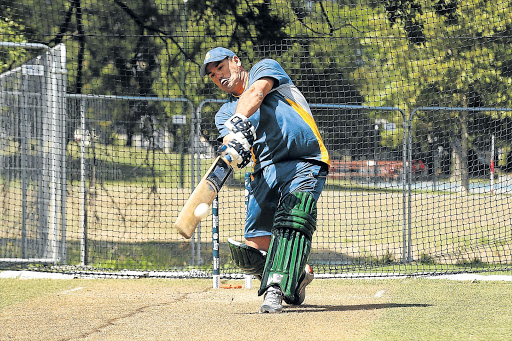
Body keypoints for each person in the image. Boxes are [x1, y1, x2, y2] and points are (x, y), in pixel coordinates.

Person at [200, 47, 330, 313]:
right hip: (265, 172)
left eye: (221, 68)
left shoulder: (265, 68)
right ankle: (296, 277)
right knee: (253, 248)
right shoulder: (224, 113)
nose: (219, 77)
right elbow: (229, 139)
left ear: (235, 61)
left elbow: (256, 94)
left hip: (303, 159)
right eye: (213, 75)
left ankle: (274, 290)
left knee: (293, 221)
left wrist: (240, 119)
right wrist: (235, 148)